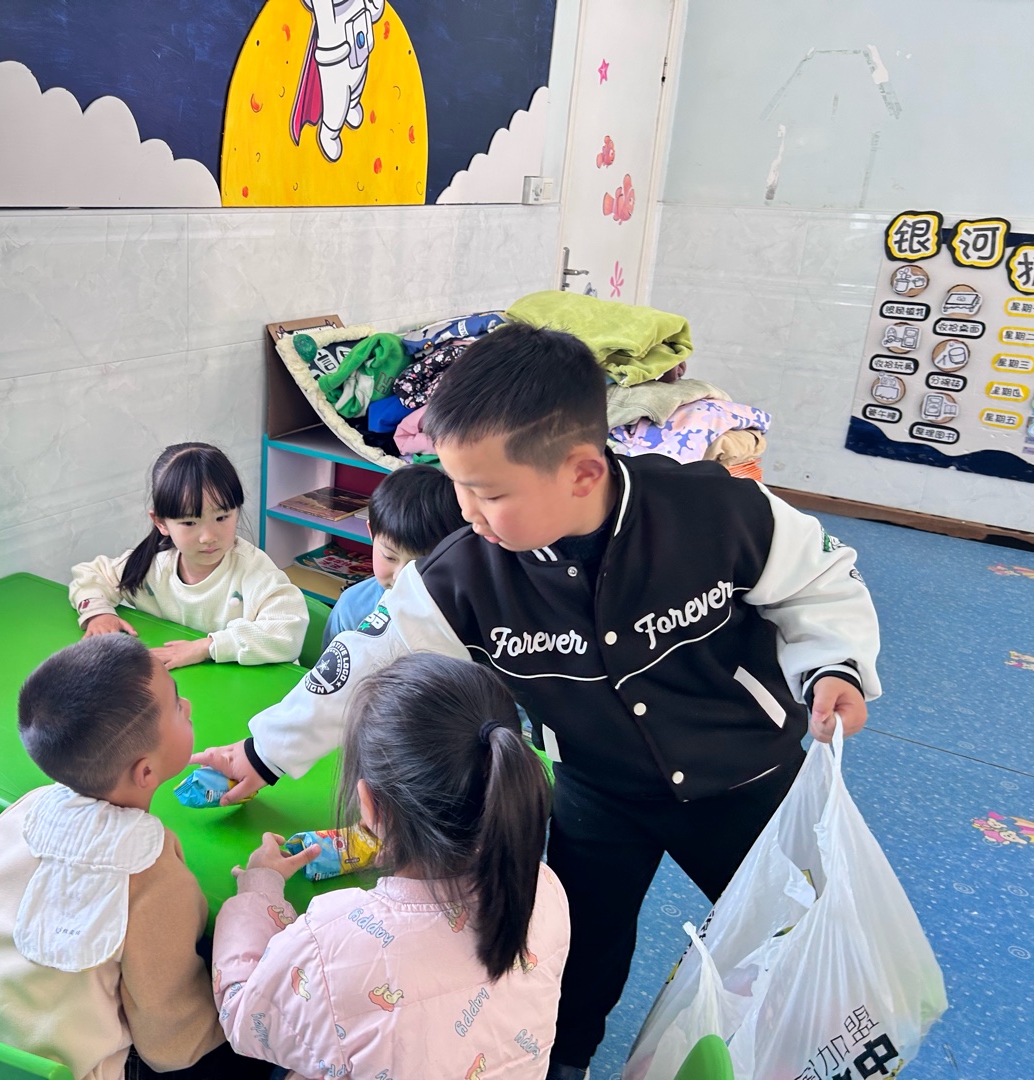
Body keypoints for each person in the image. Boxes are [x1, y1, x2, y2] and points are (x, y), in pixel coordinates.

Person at [193, 322, 882, 1077]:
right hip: (598, 791)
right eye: (457, 485)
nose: (467, 511)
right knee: (578, 949)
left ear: (582, 473)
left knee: (799, 935)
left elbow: (819, 580)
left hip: (749, 777)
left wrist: (834, 667)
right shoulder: (466, 572)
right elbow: (362, 660)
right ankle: (562, 1062)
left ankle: (818, 1053)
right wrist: (262, 752)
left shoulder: (716, 510)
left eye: (488, 493)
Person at [0, 635, 265, 1080]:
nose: (189, 706)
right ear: (146, 771)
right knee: (257, 1035)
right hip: (51, 1071)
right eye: (176, 705)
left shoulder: (25, 808)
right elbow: (172, 1045)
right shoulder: (154, 875)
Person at [212, 653, 569, 1077]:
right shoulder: (544, 886)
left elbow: (243, 1015)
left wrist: (260, 886)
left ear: (370, 806)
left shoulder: (330, 944)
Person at [71, 442, 308, 669]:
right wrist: (99, 613)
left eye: (222, 517)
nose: (208, 537)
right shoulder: (152, 564)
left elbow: (288, 633)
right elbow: (92, 574)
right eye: (189, 522)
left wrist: (207, 647)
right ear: (161, 522)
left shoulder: (254, 571)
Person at [321, 463, 464, 647]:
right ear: (372, 533)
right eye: (389, 557)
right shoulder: (351, 607)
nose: (400, 576)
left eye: (419, 564)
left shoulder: (463, 612)